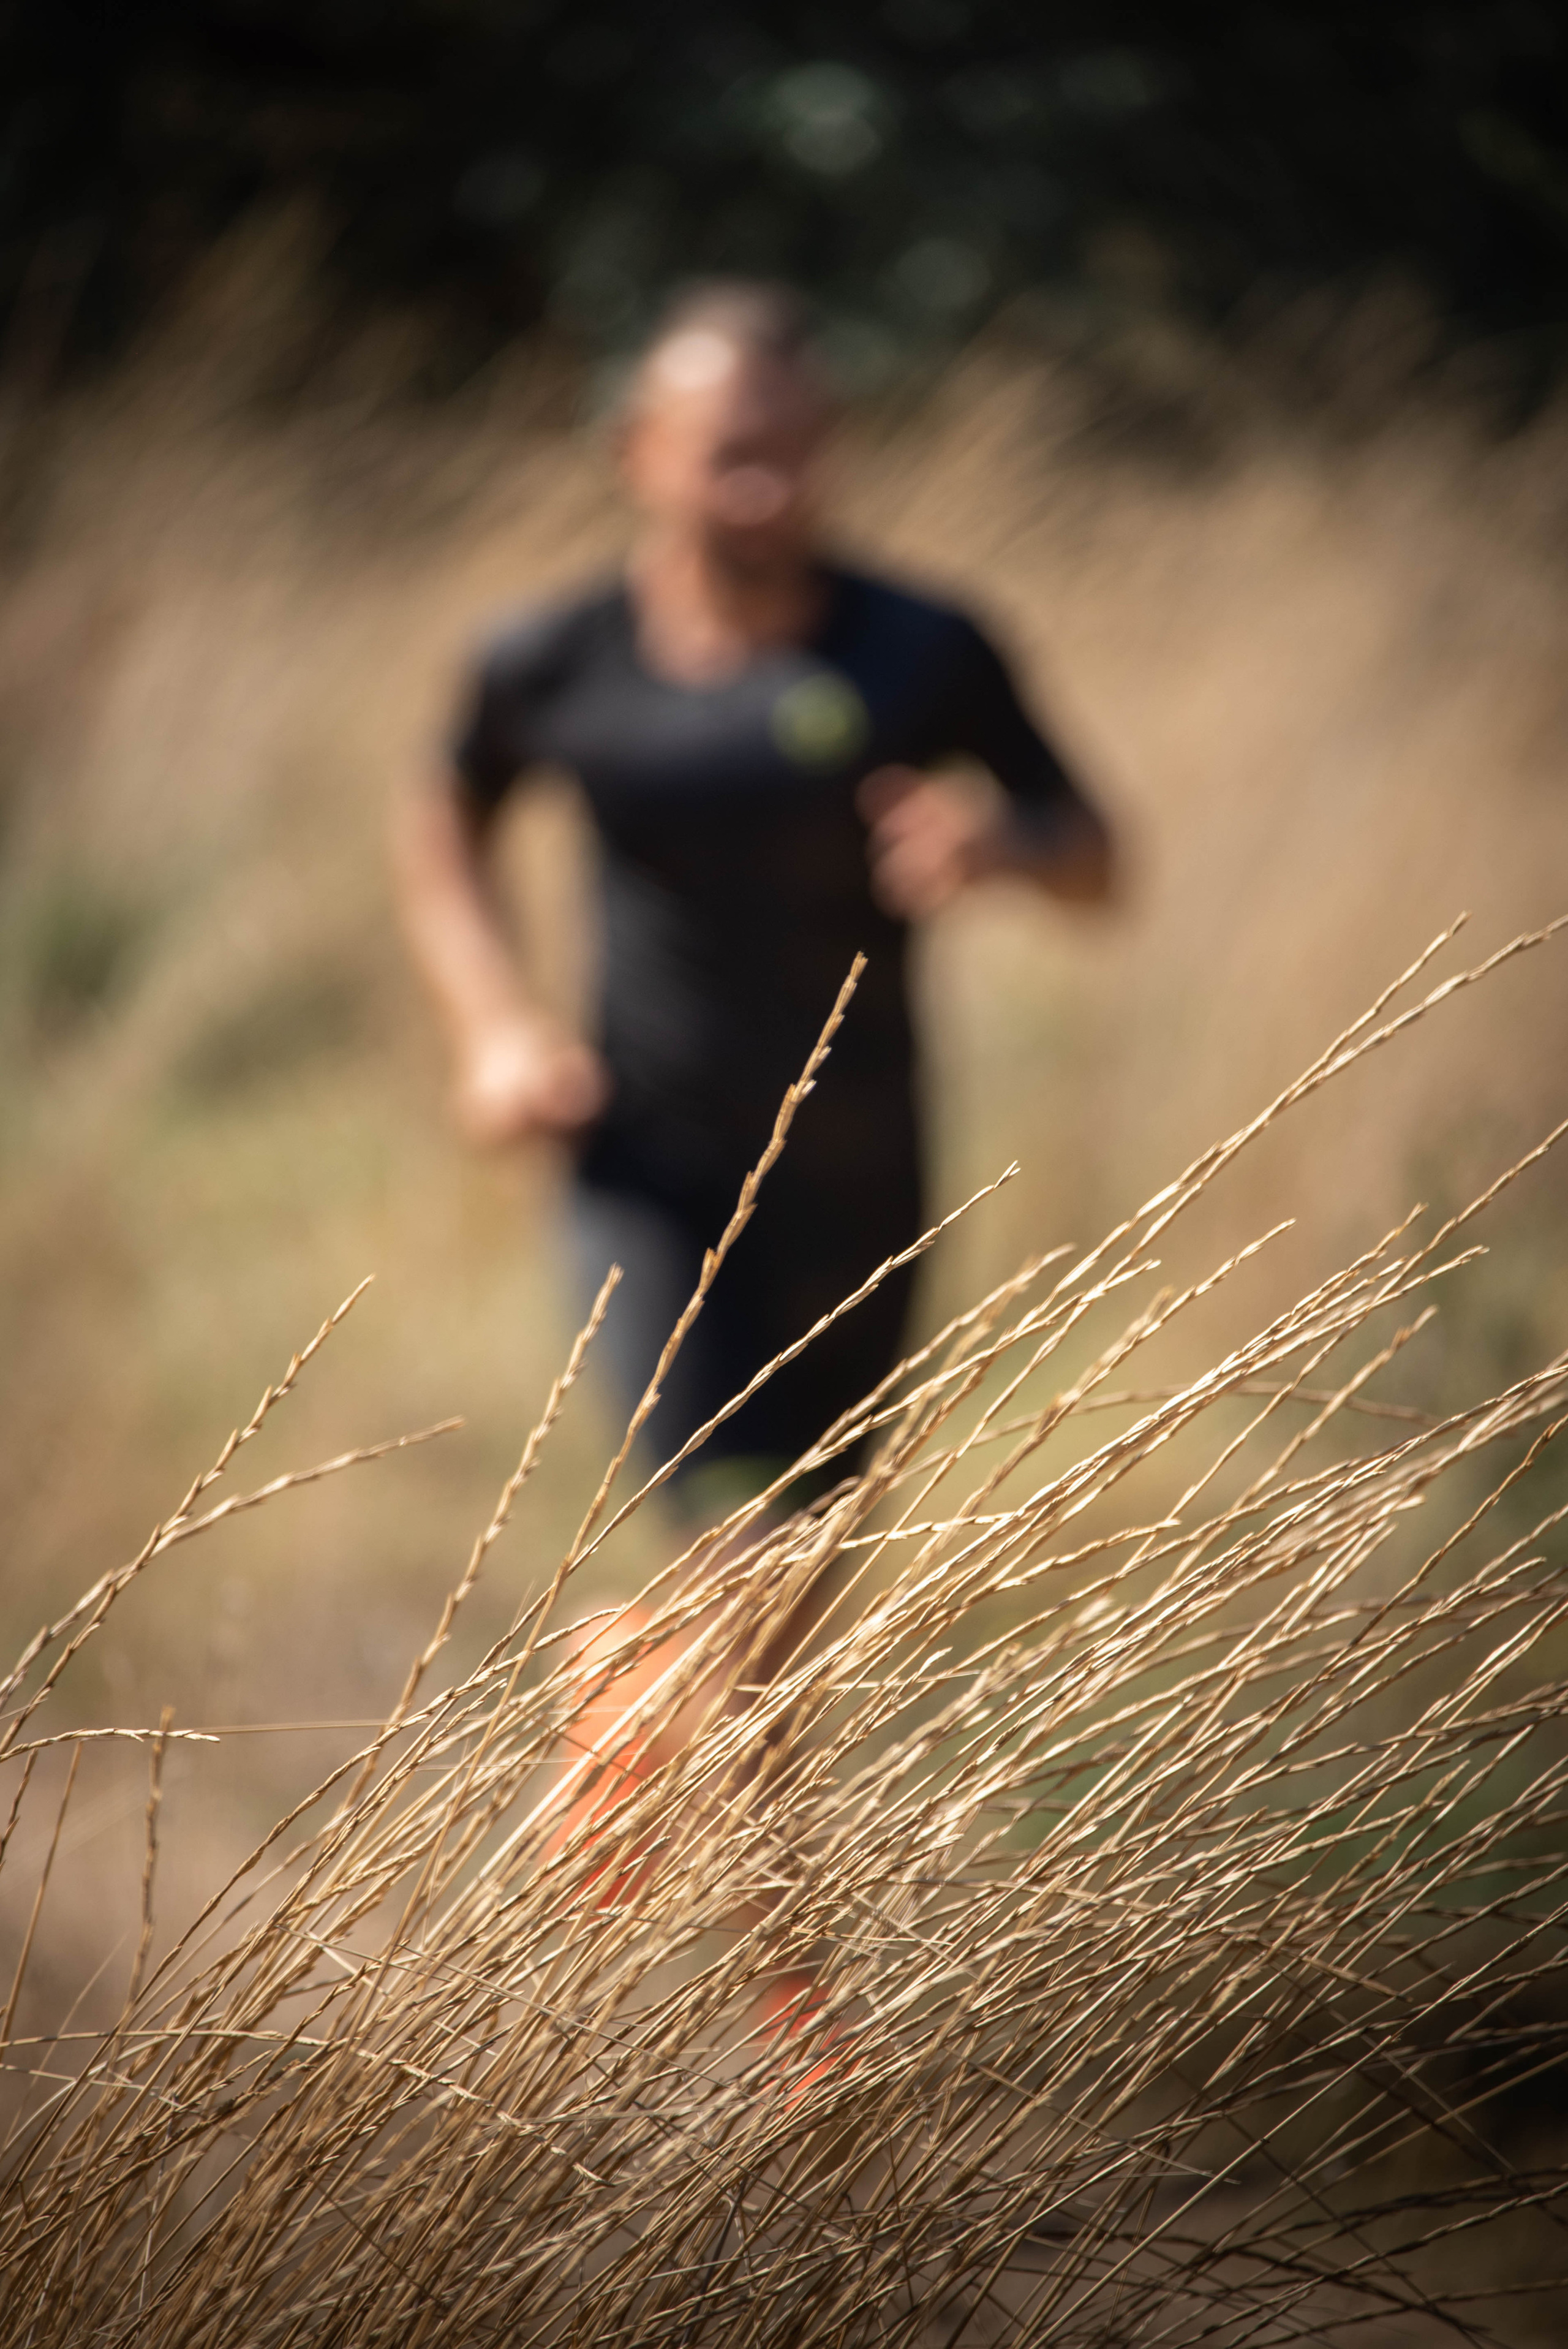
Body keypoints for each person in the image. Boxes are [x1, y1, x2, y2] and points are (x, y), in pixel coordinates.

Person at [393, 281, 1115, 1545]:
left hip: (863, 1171)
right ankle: (681, 1735)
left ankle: (731, 1747)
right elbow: (445, 817)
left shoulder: (921, 646)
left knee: (808, 1554)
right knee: (732, 1529)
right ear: (638, 456)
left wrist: (998, 848)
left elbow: (1099, 863)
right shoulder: (553, 658)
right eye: (730, 457)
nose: (769, 491)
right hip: (647, 1163)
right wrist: (494, 1026)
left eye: (796, 453)